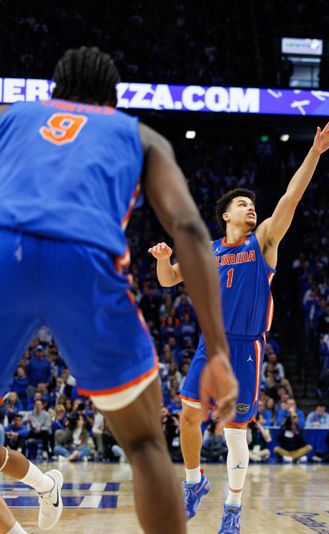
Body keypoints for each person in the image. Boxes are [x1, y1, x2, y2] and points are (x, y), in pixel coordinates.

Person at [0, 47, 238, 534]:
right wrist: (217, 349)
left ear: (53, 94)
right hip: (86, 262)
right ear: (112, 100)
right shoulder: (138, 134)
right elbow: (190, 230)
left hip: (5, 248)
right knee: (147, 444)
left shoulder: (13, 116)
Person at [151, 119, 329, 532]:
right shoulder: (208, 250)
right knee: (187, 416)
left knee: (237, 433)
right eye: (242, 204)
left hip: (246, 349)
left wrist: (314, 153)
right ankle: (194, 481)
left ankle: (232, 509)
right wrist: (164, 258)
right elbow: (168, 279)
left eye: (252, 204)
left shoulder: (265, 240)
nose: (250, 208)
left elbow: (291, 196)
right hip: (211, 345)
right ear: (225, 215)